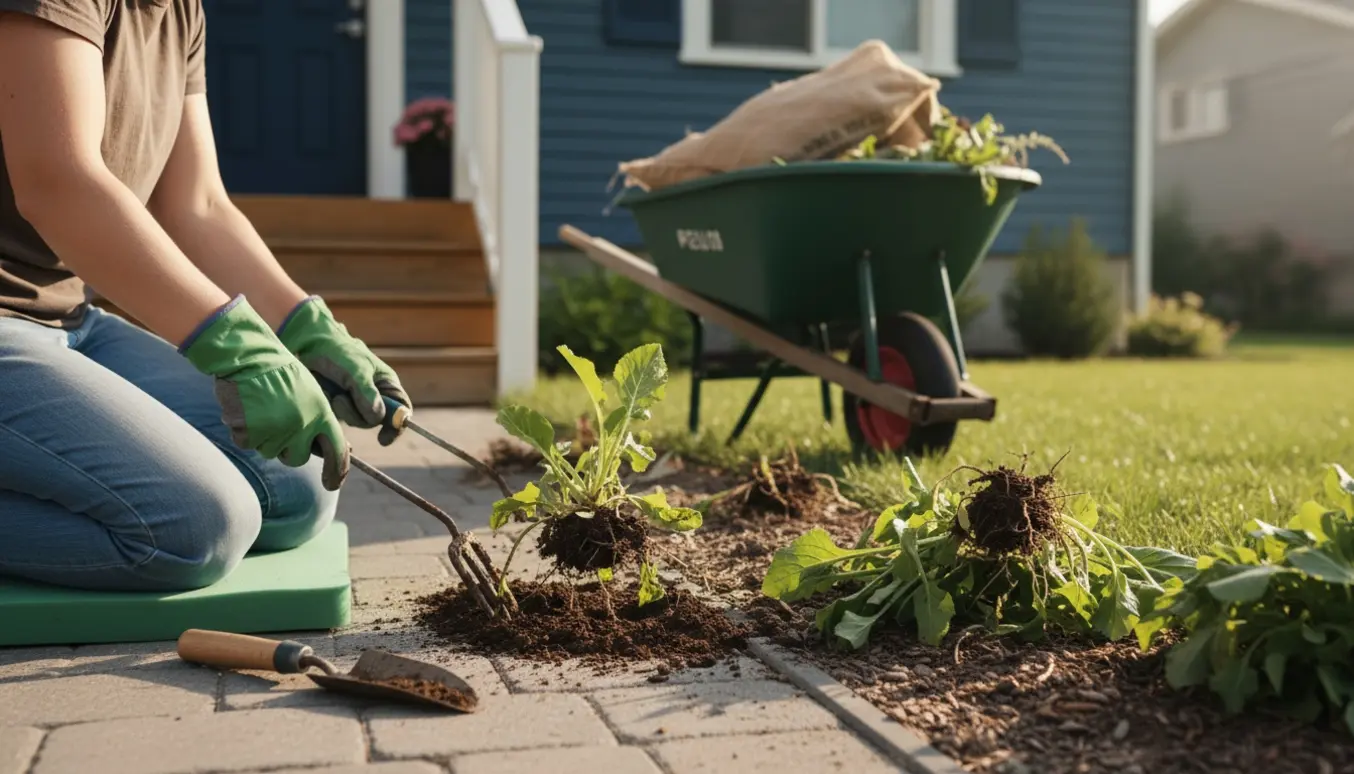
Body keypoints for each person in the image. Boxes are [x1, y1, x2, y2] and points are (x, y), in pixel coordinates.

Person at [0, 0, 409, 592]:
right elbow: (59, 184)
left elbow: (197, 206)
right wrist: (238, 346)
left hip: (66, 318)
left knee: (296, 494)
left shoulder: (180, 11)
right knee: (196, 528)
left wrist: (304, 327)